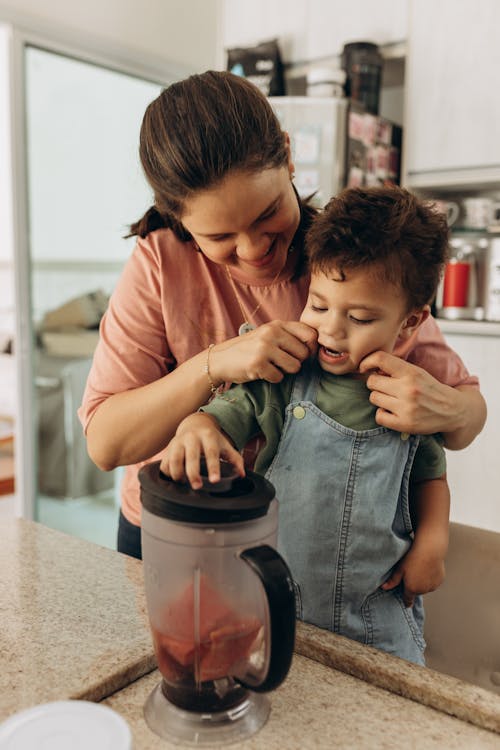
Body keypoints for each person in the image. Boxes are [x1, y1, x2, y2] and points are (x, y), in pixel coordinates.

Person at [78, 71, 485, 562]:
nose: (253, 251)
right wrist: (216, 364)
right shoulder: (160, 262)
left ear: (288, 156)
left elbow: (467, 418)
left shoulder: (348, 259)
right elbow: (106, 444)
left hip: (305, 545)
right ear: (178, 217)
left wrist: (448, 409)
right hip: (171, 531)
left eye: (267, 212)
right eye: (220, 238)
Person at [161, 185, 451, 665]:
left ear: (410, 322)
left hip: (378, 621)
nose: (332, 329)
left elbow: (430, 479)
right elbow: (220, 418)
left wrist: (433, 542)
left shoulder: (411, 395)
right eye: (318, 305)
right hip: (275, 610)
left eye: (359, 317)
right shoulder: (284, 378)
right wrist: (198, 426)